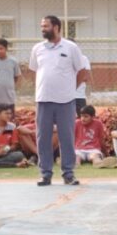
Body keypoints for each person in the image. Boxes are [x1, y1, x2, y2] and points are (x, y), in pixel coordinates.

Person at [29, 15, 86, 186]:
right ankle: (45, 174)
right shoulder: (37, 49)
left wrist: (70, 89)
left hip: (66, 101)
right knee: (43, 137)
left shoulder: (71, 48)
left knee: (66, 137)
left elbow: (82, 72)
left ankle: (68, 173)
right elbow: (35, 71)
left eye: (46, 26)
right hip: (43, 100)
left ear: (56, 27)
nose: (43, 29)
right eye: (41, 26)